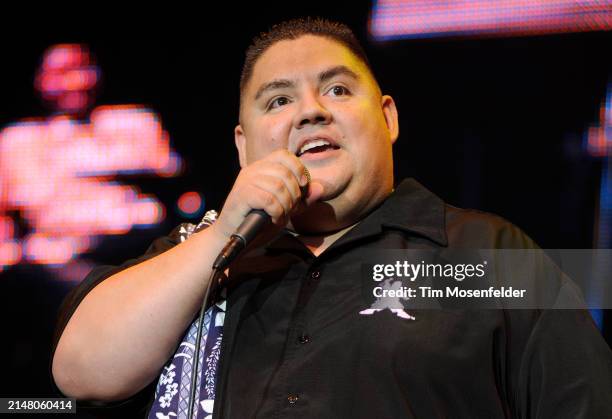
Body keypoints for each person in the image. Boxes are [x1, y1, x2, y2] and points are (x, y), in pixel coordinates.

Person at [51, 18, 612, 418]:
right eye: (277, 101)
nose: (311, 110)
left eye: (338, 89)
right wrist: (224, 236)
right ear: (243, 148)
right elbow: (80, 376)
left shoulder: (489, 251)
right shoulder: (193, 253)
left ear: (387, 118)